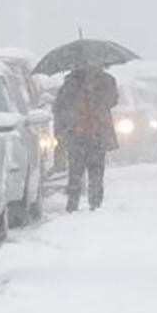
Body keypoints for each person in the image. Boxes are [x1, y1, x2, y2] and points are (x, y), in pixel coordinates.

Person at [53, 65, 118, 211]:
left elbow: (112, 101)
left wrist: (95, 91)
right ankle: (73, 204)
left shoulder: (106, 81)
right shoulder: (70, 84)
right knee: (76, 172)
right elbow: (59, 108)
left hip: (96, 133)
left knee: (96, 172)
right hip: (78, 134)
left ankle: (95, 203)